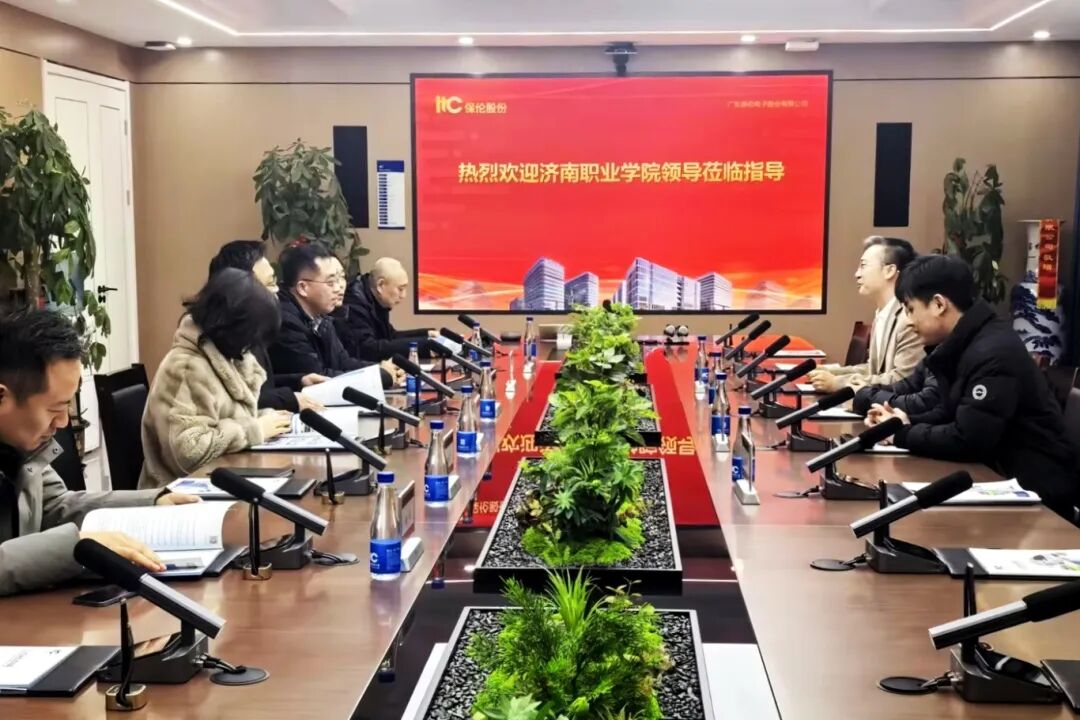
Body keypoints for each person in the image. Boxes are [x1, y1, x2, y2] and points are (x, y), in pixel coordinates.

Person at [0, 309, 200, 596]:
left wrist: (152, 503)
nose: (63, 422)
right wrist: (75, 546)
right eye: (55, 409)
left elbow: (55, 507)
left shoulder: (21, 446)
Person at [871, 255, 1080, 521]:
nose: (908, 321)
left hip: (1037, 497)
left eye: (910, 309)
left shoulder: (992, 353)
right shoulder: (966, 342)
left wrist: (903, 433)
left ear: (939, 304)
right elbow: (951, 413)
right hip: (998, 477)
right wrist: (904, 422)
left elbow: (968, 438)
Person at [140, 269, 294, 489]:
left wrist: (269, 419)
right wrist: (254, 430)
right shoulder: (186, 367)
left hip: (221, 480)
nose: (252, 346)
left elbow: (224, 418)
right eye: (251, 335)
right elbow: (188, 452)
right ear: (233, 327)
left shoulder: (225, 355)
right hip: (181, 493)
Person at [207, 240, 327, 413]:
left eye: (275, 282)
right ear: (239, 287)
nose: (276, 290)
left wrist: (299, 381)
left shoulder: (250, 327)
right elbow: (232, 401)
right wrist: (288, 398)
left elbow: (259, 385)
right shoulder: (213, 339)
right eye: (269, 284)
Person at [268, 242, 401, 387]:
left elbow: (343, 362)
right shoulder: (286, 322)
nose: (339, 288)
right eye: (331, 282)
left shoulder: (321, 315)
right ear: (303, 288)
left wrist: (381, 369)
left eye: (341, 278)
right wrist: (381, 376)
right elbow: (318, 377)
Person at [808, 236, 923, 392]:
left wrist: (839, 383)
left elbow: (902, 379)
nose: (857, 274)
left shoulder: (909, 318)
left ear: (889, 271)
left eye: (863, 266)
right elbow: (873, 370)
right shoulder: (882, 313)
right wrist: (832, 372)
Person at [335, 257, 436, 362]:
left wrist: (427, 335)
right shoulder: (354, 303)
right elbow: (368, 349)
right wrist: (425, 346)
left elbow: (389, 336)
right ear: (380, 285)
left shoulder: (375, 299)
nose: (403, 295)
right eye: (400, 289)